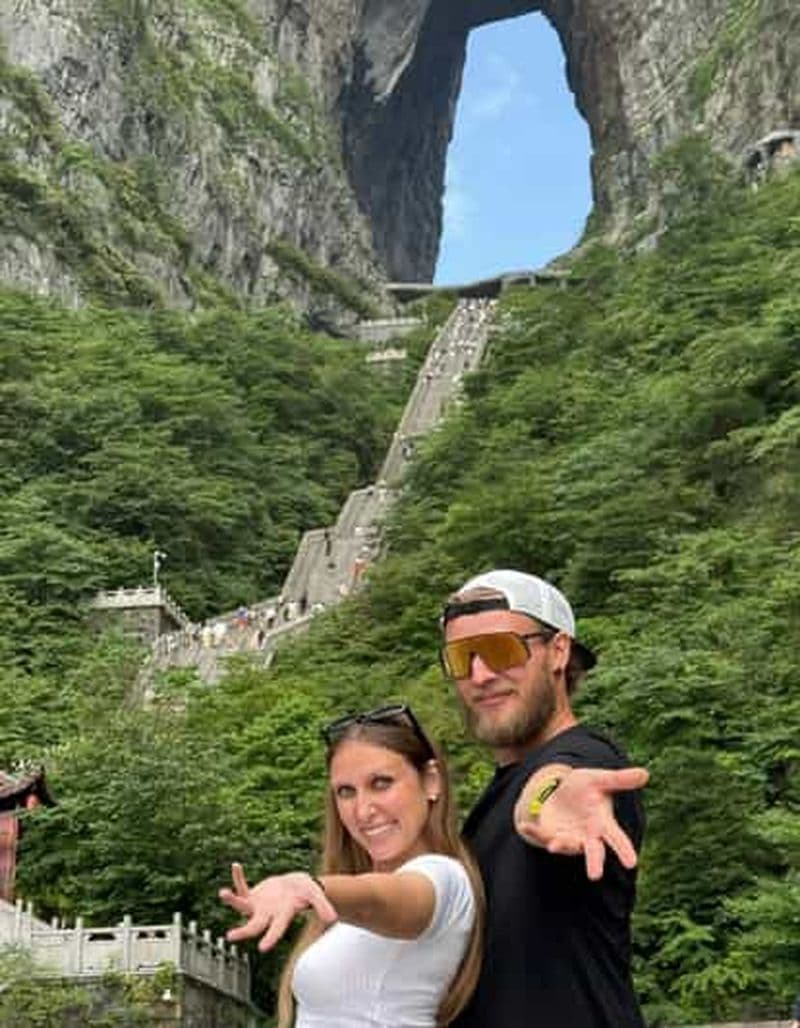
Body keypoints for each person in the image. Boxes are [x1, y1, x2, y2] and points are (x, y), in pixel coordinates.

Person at [441, 568, 648, 1028]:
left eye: (500, 650)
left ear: (558, 651)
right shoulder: (493, 800)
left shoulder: (588, 759)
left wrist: (544, 800)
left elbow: (557, 785)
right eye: (461, 657)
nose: (480, 674)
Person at [220, 705, 483, 1027]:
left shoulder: (443, 877)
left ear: (431, 781)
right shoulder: (345, 916)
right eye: (346, 792)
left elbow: (379, 899)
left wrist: (311, 887)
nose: (362, 810)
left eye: (382, 783)